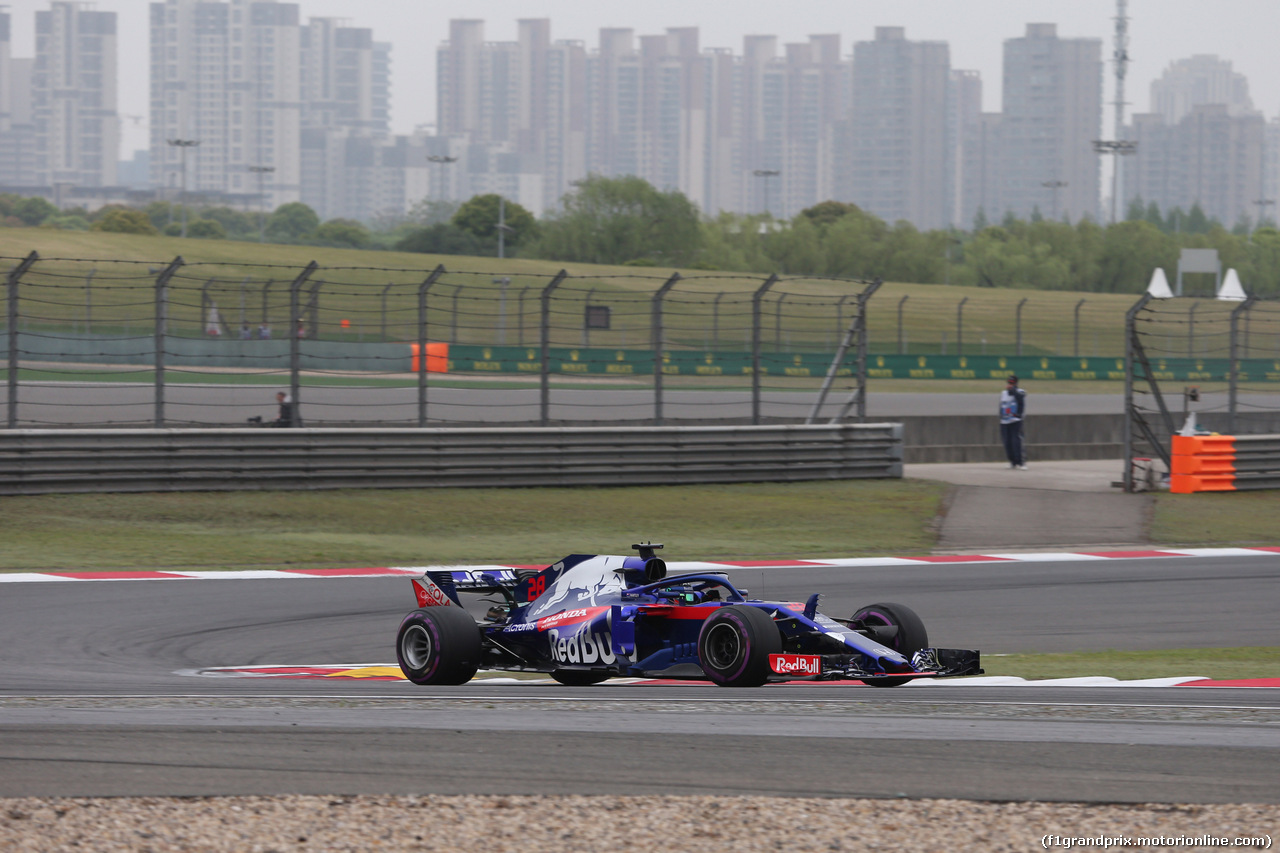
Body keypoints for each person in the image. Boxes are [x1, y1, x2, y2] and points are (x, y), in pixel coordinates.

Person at [999, 375, 1027, 469]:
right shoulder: (1003, 393)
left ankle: (1021, 462)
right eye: (1009, 383)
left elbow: (1020, 398)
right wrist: (1001, 416)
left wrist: (1013, 390)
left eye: (1012, 383)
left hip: (1015, 421)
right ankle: (1012, 461)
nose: (1010, 385)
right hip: (1005, 421)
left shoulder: (1020, 391)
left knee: (1016, 441)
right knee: (1007, 442)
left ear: (1016, 383)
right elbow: (1001, 405)